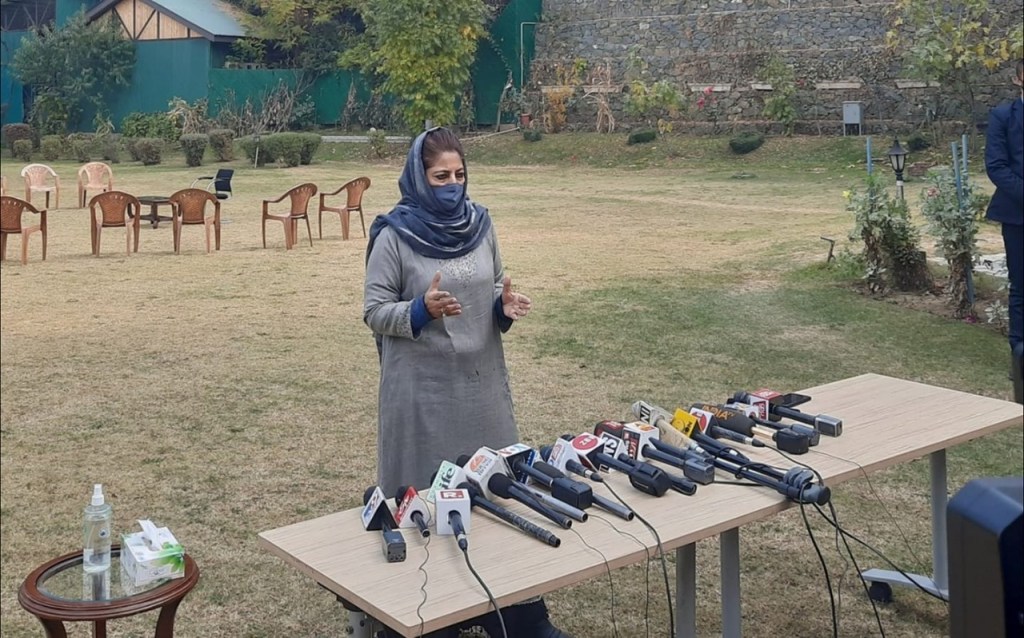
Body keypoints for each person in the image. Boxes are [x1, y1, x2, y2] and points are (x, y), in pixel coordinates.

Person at [363, 127, 571, 638]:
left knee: (496, 491)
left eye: (459, 174)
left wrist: (503, 305)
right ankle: (430, 616)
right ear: (419, 178)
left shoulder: (481, 224)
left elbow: (495, 283)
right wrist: (420, 309)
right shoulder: (394, 235)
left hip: (481, 389)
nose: (452, 185)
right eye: (441, 176)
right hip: (422, 394)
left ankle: (516, 612)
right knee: (424, 503)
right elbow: (374, 311)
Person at [984, 59, 1024, 399]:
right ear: (1018, 80)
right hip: (1018, 215)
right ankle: (1020, 359)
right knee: (1021, 288)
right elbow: (996, 166)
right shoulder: (1003, 116)